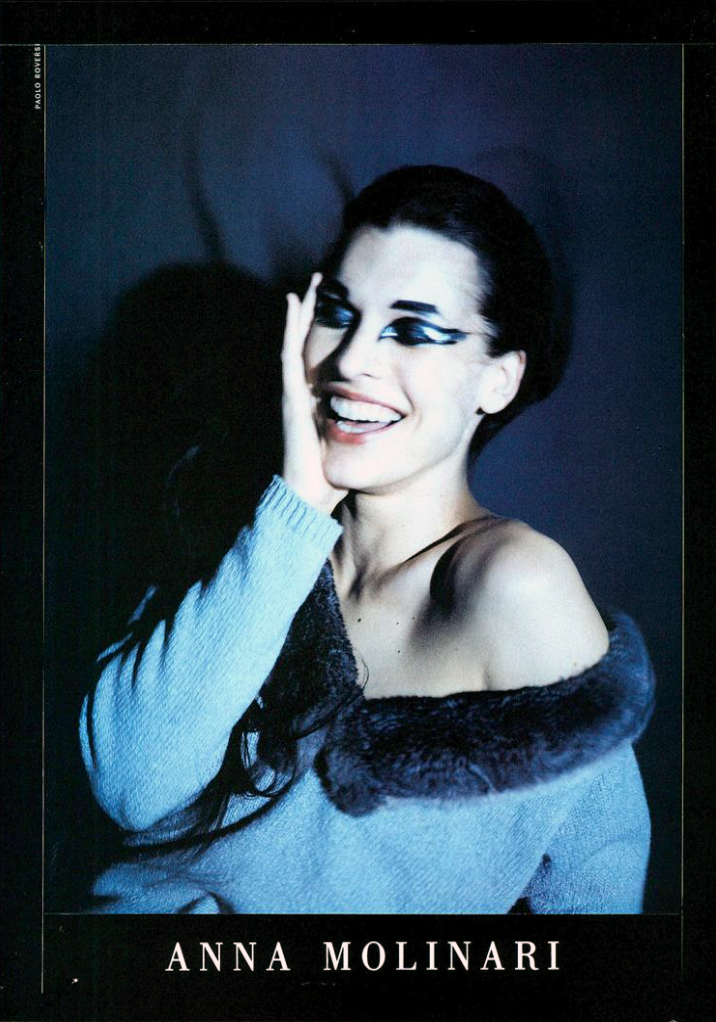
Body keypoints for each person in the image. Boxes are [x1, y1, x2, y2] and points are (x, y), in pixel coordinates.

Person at [79, 165, 654, 914]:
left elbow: (598, 894)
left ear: (499, 381)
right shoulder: (243, 528)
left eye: (412, 330)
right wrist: (298, 507)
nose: (350, 361)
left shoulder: (515, 584)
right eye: (337, 312)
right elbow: (132, 785)